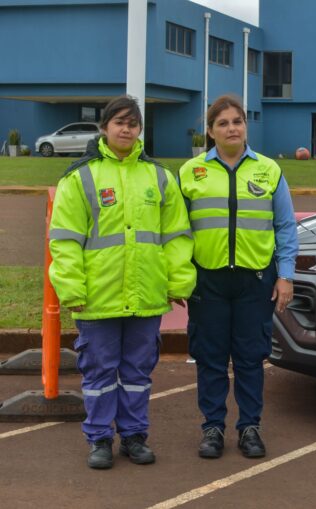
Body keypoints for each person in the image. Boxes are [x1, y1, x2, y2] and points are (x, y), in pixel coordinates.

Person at [49, 95, 196, 469]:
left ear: (140, 130)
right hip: (98, 297)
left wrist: (178, 282)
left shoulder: (159, 177)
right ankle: (99, 439)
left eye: (133, 123)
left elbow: (176, 235)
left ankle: (133, 436)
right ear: (104, 127)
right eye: (119, 122)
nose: (126, 129)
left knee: (136, 373)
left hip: (146, 295)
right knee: (99, 373)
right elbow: (64, 240)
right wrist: (71, 289)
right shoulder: (80, 177)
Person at [178, 95, 298, 460]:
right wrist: (180, 277)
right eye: (223, 123)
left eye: (238, 121)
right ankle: (212, 427)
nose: (232, 128)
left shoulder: (269, 170)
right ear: (211, 131)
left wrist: (286, 276)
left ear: (246, 126)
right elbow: (177, 232)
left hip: (255, 279)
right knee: (210, 358)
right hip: (207, 281)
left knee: (249, 357)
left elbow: (285, 227)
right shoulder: (190, 172)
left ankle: (250, 428)